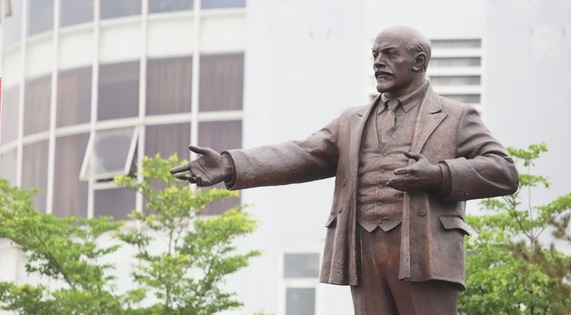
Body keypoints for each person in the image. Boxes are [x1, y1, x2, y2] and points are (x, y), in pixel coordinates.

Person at [171, 25, 519, 315]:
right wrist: (231, 164)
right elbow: (301, 154)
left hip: (424, 253)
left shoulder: (455, 117)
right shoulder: (351, 121)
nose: (379, 63)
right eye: (375, 56)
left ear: (419, 61)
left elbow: (503, 171)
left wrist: (439, 174)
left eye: (389, 55)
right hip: (363, 250)